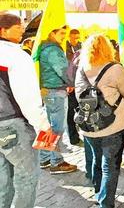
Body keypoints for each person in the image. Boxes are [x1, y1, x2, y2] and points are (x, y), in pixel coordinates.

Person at [75, 34, 124, 208]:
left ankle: (98, 193)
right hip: (114, 125)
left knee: (97, 159)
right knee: (110, 166)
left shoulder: (81, 68)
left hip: (89, 126)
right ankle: (106, 203)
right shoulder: (115, 69)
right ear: (108, 48)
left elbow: (78, 96)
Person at [0, 13, 51, 207]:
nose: (22, 29)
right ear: (3, 30)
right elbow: (28, 97)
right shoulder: (17, 56)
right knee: (27, 178)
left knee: (3, 182)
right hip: (13, 125)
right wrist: (43, 125)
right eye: (17, 26)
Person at [39, 25, 78, 174]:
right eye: (61, 33)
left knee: (49, 126)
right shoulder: (53, 50)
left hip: (50, 91)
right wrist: (73, 82)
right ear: (52, 32)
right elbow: (63, 70)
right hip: (55, 92)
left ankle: (45, 158)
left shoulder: (45, 48)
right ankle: (56, 162)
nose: (64, 36)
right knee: (57, 127)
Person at [66, 28, 82, 145]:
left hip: (79, 83)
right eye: (74, 37)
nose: (76, 40)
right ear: (69, 37)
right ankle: (73, 137)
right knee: (70, 112)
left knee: (80, 109)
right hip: (70, 85)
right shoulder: (65, 48)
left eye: (78, 37)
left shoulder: (81, 47)